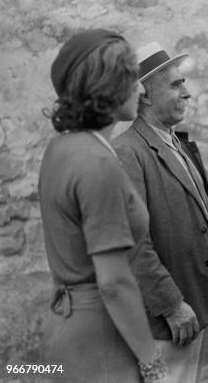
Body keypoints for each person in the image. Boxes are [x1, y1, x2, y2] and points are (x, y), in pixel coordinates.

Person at [39, 30, 167, 382]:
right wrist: (152, 363)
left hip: (68, 326)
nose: (141, 89)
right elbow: (113, 282)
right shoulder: (98, 164)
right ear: (109, 86)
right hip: (101, 341)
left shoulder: (62, 148)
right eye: (133, 79)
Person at [112, 42, 208, 382]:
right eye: (176, 85)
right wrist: (172, 306)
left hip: (194, 305)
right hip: (168, 319)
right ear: (146, 96)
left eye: (184, 83)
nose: (188, 93)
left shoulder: (175, 141)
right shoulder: (127, 152)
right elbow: (133, 242)